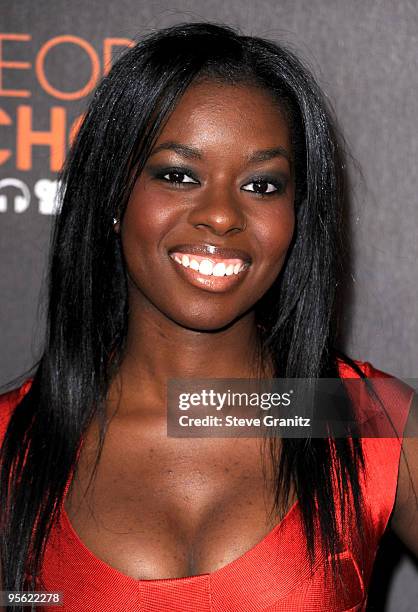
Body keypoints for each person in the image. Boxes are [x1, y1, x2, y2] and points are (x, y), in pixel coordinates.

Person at [0, 21, 417, 612]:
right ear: (114, 195)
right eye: (177, 175)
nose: (221, 215)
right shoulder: (10, 445)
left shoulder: (366, 421)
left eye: (262, 185)